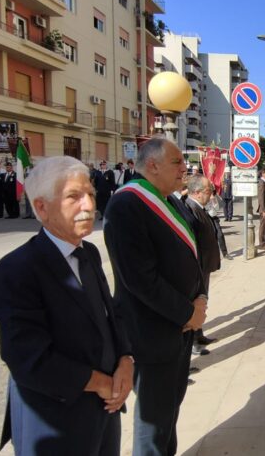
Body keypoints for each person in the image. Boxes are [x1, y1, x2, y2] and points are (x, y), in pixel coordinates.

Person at [0, 156, 133, 455]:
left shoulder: (88, 252)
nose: (89, 205)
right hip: (55, 422)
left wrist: (126, 361)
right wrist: (100, 382)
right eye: (74, 197)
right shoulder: (15, 271)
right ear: (41, 207)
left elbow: (109, 315)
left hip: (105, 410)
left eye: (90, 194)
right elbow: (29, 360)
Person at [103, 137, 206, 456]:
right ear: (152, 165)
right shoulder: (126, 204)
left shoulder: (170, 200)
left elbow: (190, 254)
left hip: (180, 329)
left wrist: (199, 297)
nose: (184, 168)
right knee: (153, 422)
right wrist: (187, 313)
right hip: (152, 332)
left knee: (168, 412)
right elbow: (140, 279)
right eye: (177, 162)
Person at [181, 175, 221, 356]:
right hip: (199, 266)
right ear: (196, 193)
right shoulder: (190, 208)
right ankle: (193, 342)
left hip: (205, 265)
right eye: (208, 191)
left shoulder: (200, 207)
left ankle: (199, 334)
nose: (211, 194)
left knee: (203, 301)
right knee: (196, 303)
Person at [256, 169, 265, 250]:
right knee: (263, 227)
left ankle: (264, 242)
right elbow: (261, 198)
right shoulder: (262, 183)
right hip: (264, 209)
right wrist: (264, 210)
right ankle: (262, 243)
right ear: (263, 174)